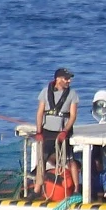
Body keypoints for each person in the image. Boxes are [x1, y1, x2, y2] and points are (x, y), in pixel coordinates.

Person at [33, 68, 78, 199]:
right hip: (47, 131)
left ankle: (76, 188)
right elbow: (40, 112)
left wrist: (65, 131)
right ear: (58, 79)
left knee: (70, 160)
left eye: (69, 79)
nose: (69, 81)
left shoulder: (72, 94)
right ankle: (37, 189)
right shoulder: (44, 92)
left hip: (63, 130)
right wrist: (39, 131)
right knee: (42, 159)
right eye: (66, 78)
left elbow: (73, 116)